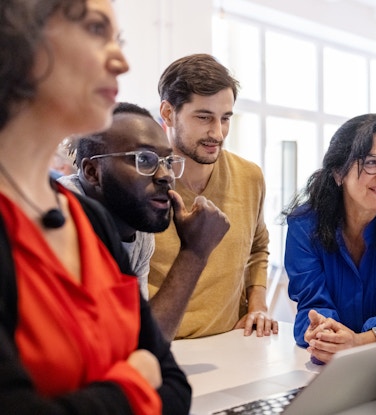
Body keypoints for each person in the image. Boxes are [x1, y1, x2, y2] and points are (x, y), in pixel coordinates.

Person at [0, 0, 191, 413]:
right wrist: (136, 379)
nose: (121, 61)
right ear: (17, 39)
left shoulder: (91, 221)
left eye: (117, 39)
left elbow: (176, 389)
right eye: (94, 29)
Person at [59, 102, 230, 342]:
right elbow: (118, 348)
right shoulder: (59, 222)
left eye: (168, 162)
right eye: (144, 159)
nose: (166, 176)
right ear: (91, 172)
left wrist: (195, 250)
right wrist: (194, 253)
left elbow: (143, 339)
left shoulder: (136, 227)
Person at [283, 113, 376, 364]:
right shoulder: (304, 225)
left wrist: (357, 342)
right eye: (372, 162)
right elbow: (313, 304)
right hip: (329, 371)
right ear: (338, 172)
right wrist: (321, 333)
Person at [151, 53, 278, 339]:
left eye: (225, 119)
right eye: (204, 117)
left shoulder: (250, 177)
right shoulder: (142, 182)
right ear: (168, 113)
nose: (218, 133)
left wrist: (258, 305)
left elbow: (258, 248)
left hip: (233, 345)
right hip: (163, 349)